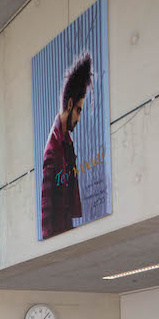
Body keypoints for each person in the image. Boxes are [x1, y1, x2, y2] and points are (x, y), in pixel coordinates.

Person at [40, 52, 93, 240]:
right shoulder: (53, 150)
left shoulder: (66, 143)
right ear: (69, 104)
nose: (79, 118)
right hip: (58, 236)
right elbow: (46, 213)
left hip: (66, 231)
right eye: (78, 110)